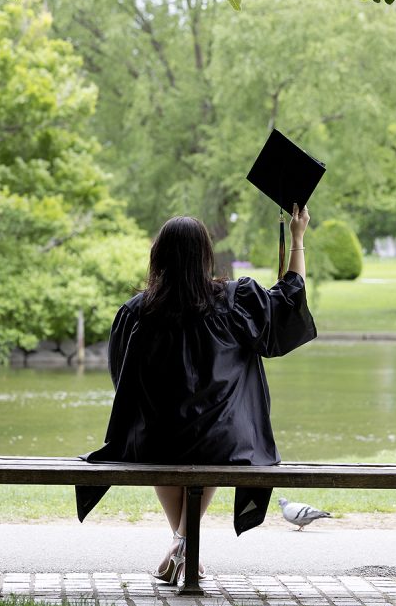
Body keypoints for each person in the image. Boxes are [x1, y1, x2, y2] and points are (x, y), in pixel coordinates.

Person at [75, 204, 316, 584]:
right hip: (222, 443)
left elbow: (120, 376)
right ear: (206, 255)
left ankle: (181, 544)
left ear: (158, 256)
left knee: (163, 439)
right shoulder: (235, 301)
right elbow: (288, 302)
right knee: (215, 435)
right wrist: (298, 238)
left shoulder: (137, 312)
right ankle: (186, 544)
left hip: (155, 441)